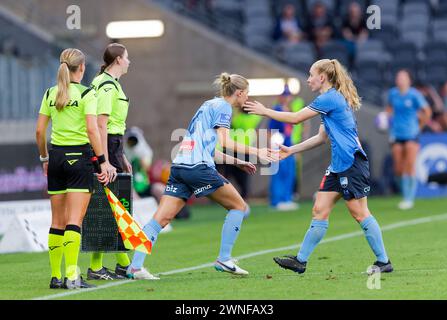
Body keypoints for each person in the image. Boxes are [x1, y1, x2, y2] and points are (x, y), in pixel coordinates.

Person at [244, 59, 393, 275]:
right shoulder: (329, 100)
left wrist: (265, 110)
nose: (308, 79)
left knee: (359, 213)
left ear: (322, 77)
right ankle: (300, 261)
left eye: (311, 74)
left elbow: (295, 119)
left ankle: (383, 261)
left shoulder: (330, 98)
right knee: (319, 209)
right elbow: (321, 137)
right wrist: (292, 150)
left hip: (351, 164)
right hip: (338, 166)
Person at [126, 73, 278, 280]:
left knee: (160, 219)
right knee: (239, 207)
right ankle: (224, 259)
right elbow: (225, 142)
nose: (247, 98)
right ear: (240, 93)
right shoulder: (224, 108)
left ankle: (135, 267)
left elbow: (210, 149)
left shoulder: (207, 106)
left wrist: (237, 161)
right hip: (198, 169)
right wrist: (257, 152)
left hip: (180, 167)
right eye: (247, 94)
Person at [35, 48, 109, 289]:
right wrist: (102, 160)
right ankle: (72, 275)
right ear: (83, 68)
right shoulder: (88, 94)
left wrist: (44, 158)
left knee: (57, 221)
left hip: (55, 157)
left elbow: (39, 132)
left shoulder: (50, 93)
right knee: (74, 221)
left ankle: (56, 277)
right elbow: (92, 130)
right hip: (79, 158)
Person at [87, 43, 134, 280]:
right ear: (117, 60)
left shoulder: (106, 83)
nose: (129, 62)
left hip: (113, 146)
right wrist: (105, 160)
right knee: (114, 207)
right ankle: (125, 264)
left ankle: (110, 265)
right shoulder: (107, 85)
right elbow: (101, 124)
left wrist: (121, 155)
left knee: (110, 206)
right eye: (127, 58)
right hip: (107, 146)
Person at [386, 70, 431, 210]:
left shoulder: (414, 95)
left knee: (409, 165)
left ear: (409, 80)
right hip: (396, 134)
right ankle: (405, 192)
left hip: (412, 133)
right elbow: (389, 109)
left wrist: (420, 125)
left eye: (403, 77)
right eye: (398, 77)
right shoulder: (392, 94)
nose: (400, 79)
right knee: (398, 168)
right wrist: (385, 119)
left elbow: (427, 111)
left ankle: (408, 198)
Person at [268, 86, 298, 210]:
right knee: (278, 173)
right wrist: (271, 148)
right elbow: (270, 131)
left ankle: (287, 199)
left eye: (288, 95)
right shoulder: (277, 110)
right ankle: (277, 201)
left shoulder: (290, 110)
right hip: (278, 146)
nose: (287, 98)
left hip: (289, 145)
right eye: (285, 95)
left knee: (289, 172)